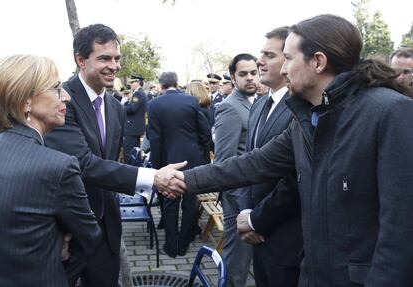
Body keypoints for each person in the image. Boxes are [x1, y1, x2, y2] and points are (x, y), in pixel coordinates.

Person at [163, 14, 413, 286]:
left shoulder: (389, 113)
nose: (283, 70)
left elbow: (400, 232)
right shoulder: (307, 119)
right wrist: (183, 179)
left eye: (289, 59)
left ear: (317, 62)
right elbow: (253, 164)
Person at [45, 24, 185, 286]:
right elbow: (83, 164)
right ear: (80, 60)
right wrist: (152, 178)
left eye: (117, 58)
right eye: (104, 58)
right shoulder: (62, 101)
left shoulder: (115, 107)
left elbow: (111, 163)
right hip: (67, 231)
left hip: (107, 229)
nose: (114, 65)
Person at [0, 54, 101, 287]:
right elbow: (90, 238)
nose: (66, 97)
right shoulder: (58, 166)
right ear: (26, 100)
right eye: (56, 89)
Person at [238, 27, 302, 287]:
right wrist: (245, 211)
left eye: (269, 55)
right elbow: (248, 163)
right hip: (256, 235)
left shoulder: (299, 107)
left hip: (286, 239)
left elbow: (295, 178)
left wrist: (257, 221)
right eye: (259, 54)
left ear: (289, 59)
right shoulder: (260, 104)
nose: (259, 62)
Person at [147, 72, 211, 257]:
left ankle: (171, 245)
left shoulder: (154, 104)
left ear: (161, 85)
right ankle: (184, 243)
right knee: (190, 202)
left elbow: (155, 139)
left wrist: (157, 166)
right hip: (193, 159)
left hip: (168, 160)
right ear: (176, 83)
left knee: (169, 202)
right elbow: (205, 133)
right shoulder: (191, 101)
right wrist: (202, 156)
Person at [214, 53, 259, 287]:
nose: (250, 78)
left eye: (253, 72)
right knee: (237, 262)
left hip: (256, 193)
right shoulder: (230, 108)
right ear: (233, 77)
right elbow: (224, 162)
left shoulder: (258, 102)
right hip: (239, 196)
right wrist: (240, 203)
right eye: (243, 74)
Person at [123, 74, 147, 164]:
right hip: (136, 127)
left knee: (128, 151)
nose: (131, 84)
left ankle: (128, 170)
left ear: (138, 82)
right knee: (135, 151)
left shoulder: (138, 93)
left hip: (132, 128)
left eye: (133, 82)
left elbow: (132, 109)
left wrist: (123, 106)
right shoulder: (139, 92)